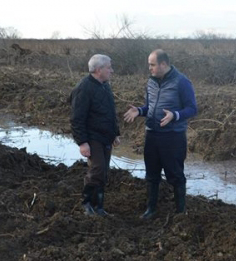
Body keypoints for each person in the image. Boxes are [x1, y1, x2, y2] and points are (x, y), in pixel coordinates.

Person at [123, 49, 197, 219]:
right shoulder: (151, 83)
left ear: (163, 64)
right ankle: (151, 209)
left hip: (173, 137)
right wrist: (140, 111)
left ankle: (180, 212)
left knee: (175, 174)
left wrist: (175, 115)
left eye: (152, 65)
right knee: (151, 174)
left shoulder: (182, 82)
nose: (149, 68)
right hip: (152, 135)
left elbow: (192, 108)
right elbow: (151, 107)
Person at [70, 54, 120, 216]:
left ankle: (99, 207)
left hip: (106, 136)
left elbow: (111, 112)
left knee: (103, 172)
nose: (111, 71)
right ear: (98, 70)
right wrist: (82, 142)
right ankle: (86, 205)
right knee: (97, 170)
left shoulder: (105, 85)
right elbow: (77, 118)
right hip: (93, 138)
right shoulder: (84, 88)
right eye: (109, 67)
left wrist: (116, 133)